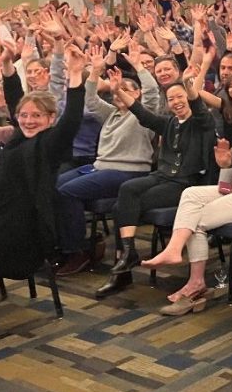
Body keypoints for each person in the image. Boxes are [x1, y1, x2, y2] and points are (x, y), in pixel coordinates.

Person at [0, 43, 85, 341]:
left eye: (36, 116)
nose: (27, 120)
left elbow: (72, 120)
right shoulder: (19, 138)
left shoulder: (49, 144)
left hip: (20, 229)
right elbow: (14, 101)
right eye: (24, 116)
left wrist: (76, 76)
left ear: (50, 119)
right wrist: (9, 66)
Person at [142, 92, 232, 315]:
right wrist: (224, 160)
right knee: (191, 195)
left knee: (198, 220)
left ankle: (195, 282)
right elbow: (229, 160)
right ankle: (175, 249)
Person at [94, 64, 216, 298]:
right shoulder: (169, 123)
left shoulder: (203, 122)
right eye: (171, 99)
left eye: (180, 97)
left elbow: (199, 107)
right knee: (127, 190)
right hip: (162, 177)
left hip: (185, 185)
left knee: (122, 207)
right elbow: (141, 113)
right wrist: (118, 90)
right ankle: (128, 255)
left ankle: (122, 267)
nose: (176, 102)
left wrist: (189, 84)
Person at [53, 44, 159, 275]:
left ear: (136, 94)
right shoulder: (111, 113)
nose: (118, 93)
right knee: (53, 185)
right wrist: (94, 71)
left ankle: (78, 251)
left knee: (67, 192)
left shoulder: (144, 115)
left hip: (128, 171)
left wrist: (139, 66)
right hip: (100, 167)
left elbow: (152, 93)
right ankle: (67, 244)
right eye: (116, 90)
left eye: (126, 89)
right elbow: (90, 100)